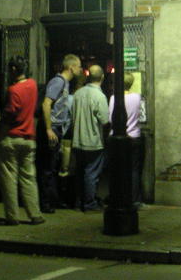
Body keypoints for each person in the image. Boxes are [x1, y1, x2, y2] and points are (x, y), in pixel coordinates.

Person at [0, 56, 45, 226]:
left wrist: (0, 124)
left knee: (9, 179)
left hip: (12, 137)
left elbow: (10, 112)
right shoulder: (32, 85)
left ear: (14, 70)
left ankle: (12, 216)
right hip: (29, 138)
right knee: (29, 178)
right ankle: (35, 214)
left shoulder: (13, 90)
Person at [40, 53, 82, 212]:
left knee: (53, 166)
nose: (80, 69)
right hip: (53, 129)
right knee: (48, 167)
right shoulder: (58, 82)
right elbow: (46, 104)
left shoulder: (64, 83)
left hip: (57, 129)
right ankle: (45, 203)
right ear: (71, 67)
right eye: (78, 66)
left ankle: (51, 199)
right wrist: (49, 129)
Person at [71, 65, 109, 212]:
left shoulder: (78, 94)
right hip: (93, 141)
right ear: (102, 78)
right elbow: (105, 120)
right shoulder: (100, 96)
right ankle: (89, 203)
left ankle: (78, 201)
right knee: (91, 173)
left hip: (77, 139)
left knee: (80, 172)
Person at [107, 72, 147, 209]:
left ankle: (118, 198)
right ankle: (135, 200)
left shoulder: (113, 98)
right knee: (134, 170)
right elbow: (142, 115)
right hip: (134, 136)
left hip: (118, 137)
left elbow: (110, 119)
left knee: (118, 170)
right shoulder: (137, 97)